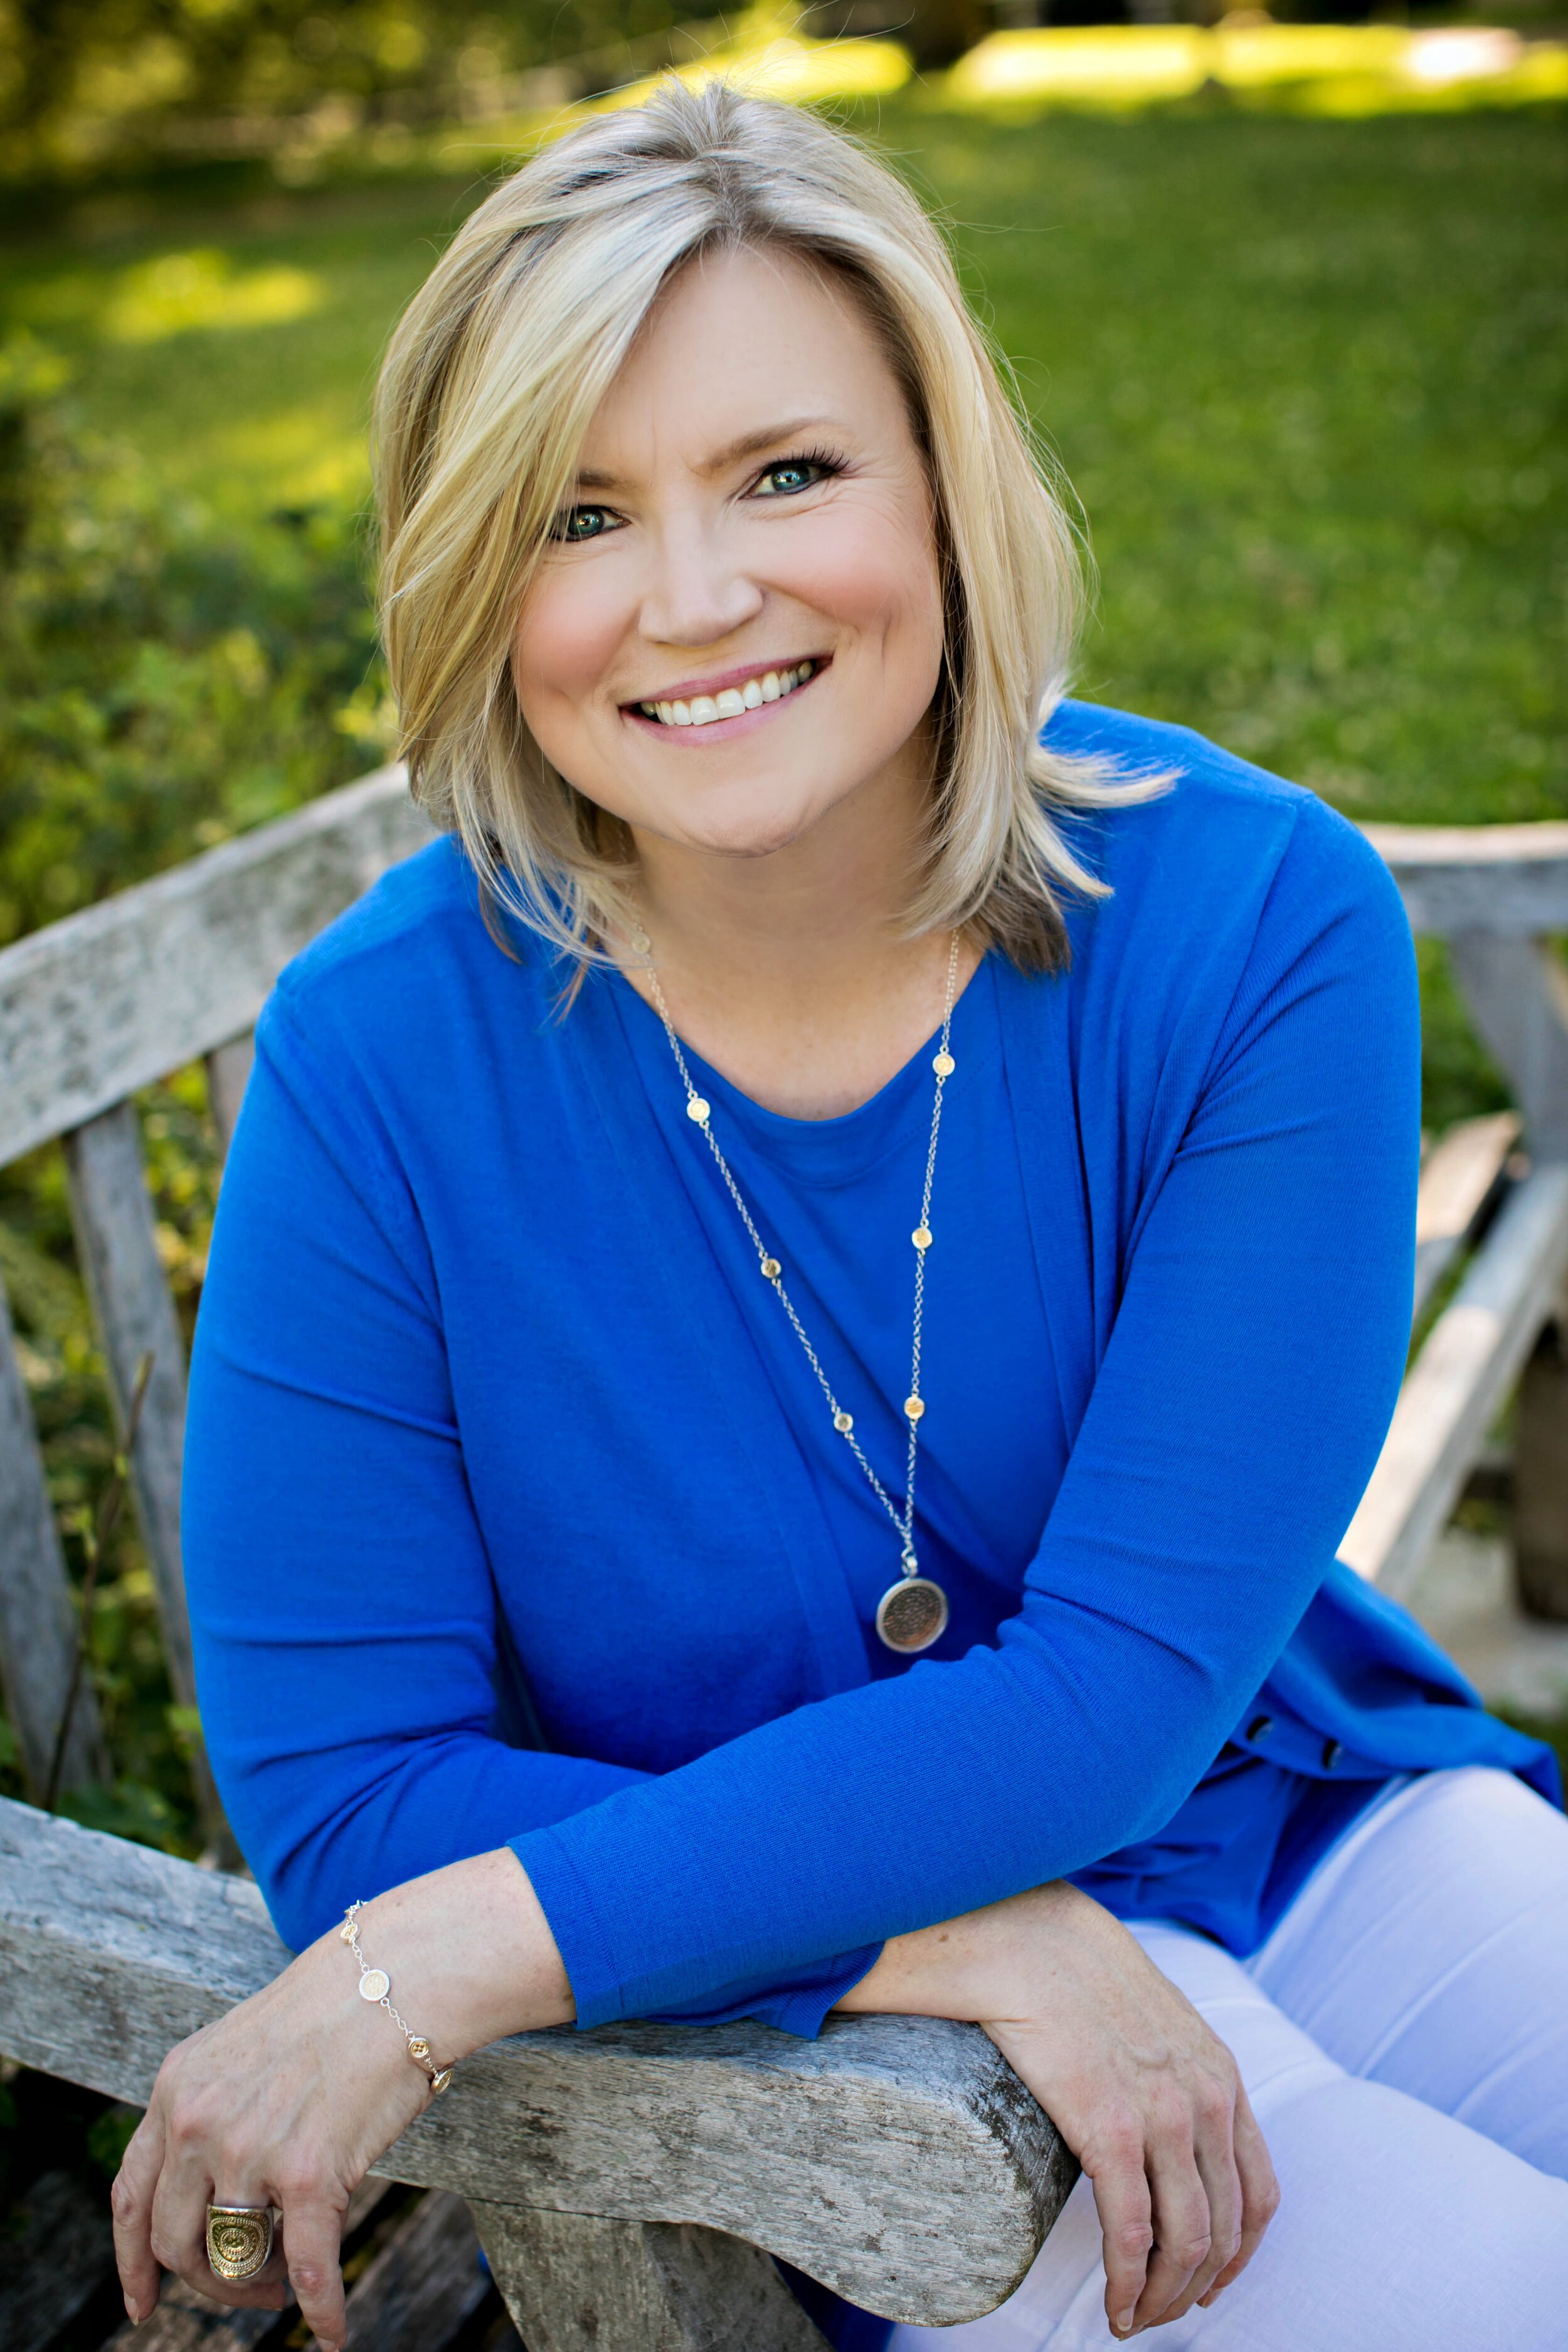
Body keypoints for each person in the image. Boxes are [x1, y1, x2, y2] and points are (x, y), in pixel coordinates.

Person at [110, 82, 1568, 2352]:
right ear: (480, 579)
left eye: (786, 473)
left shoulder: (1253, 919)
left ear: (943, 488)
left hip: (1270, 1805)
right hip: (814, 2049)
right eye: (580, 514)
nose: (696, 598)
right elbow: (347, 1793)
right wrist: (934, 1935)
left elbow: (1117, 1697)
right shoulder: (378, 1056)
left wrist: (434, 1969)